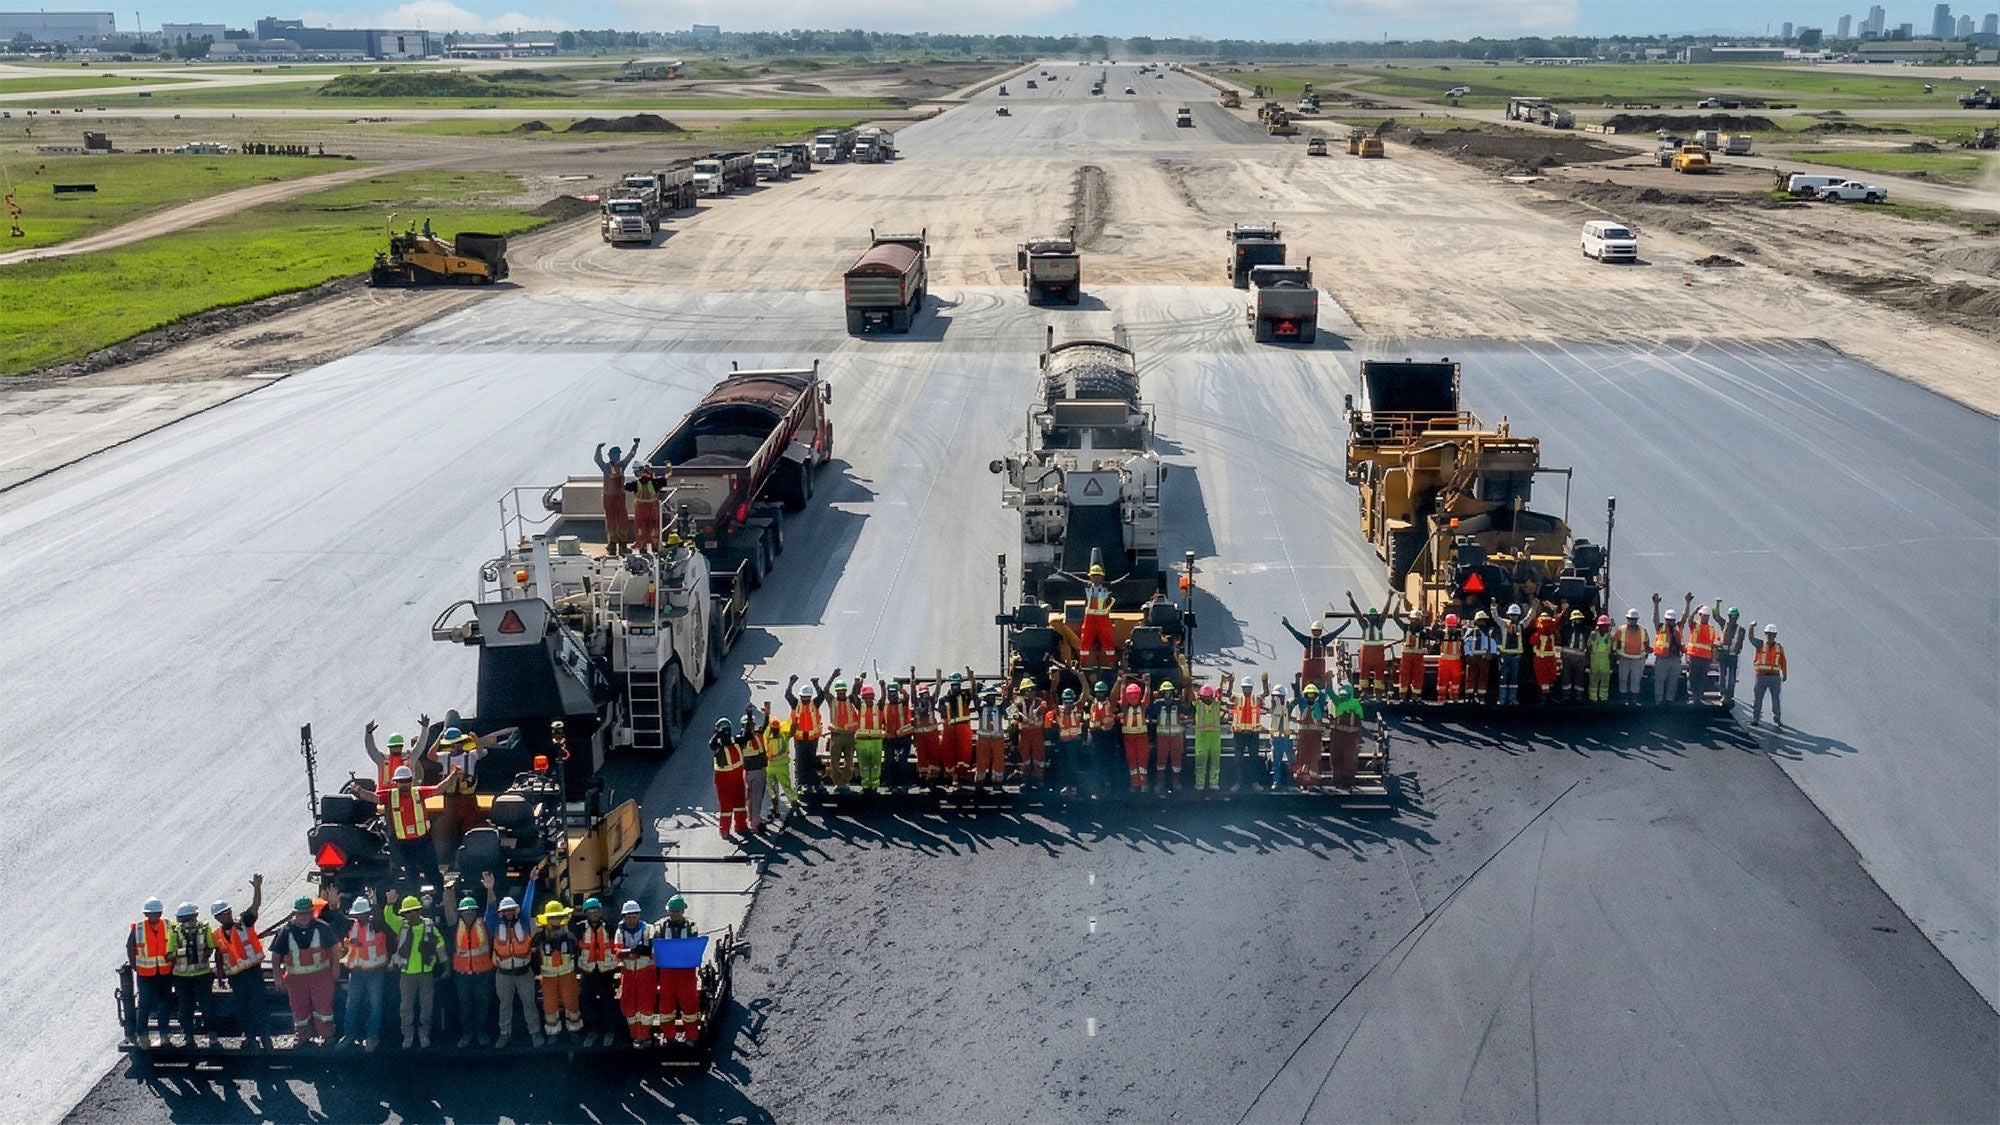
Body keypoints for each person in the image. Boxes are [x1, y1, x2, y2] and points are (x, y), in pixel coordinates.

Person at [355, 763, 459, 896]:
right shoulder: (390, 796)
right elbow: (373, 797)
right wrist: (360, 791)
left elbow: (439, 789)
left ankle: (440, 899)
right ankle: (415, 902)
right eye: (401, 781)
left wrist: (452, 775)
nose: (404, 784)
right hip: (404, 845)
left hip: (423, 842)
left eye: (407, 781)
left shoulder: (419, 793)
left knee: (432, 872)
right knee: (411, 874)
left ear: (411, 781)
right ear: (396, 782)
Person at [269, 895, 339, 1047]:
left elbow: (334, 948)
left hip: (321, 977)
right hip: (296, 980)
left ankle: (327, 1035)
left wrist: (335, 970)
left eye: (306, 913)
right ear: (295, 914)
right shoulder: (286, 931)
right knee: (300, 1009)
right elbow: (276, 956)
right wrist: (278, 978)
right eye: (300, 913)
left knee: (324, 1008)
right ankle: (303, 1036)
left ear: (311, 912)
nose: (303, 917)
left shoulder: (322, 927)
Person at [484, 872, 542, 1048]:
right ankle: (504, 1034)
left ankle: (535, 1033)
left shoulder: (523, 922)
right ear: (501, 913)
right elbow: (490, 909)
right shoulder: (494, 924)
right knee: (505, 1006)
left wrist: (531, 881)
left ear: (515, 911)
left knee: (529, 1004)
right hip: (503, 974)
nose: (508, 913)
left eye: (511, 910)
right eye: (505, 910)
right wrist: (490, 889)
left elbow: (527, 903)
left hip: (524, 973)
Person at [210, 875, 268, 1047]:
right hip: (236, 978)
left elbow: (255, 907)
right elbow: (219, 955)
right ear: (217, 918)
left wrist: (257, 888)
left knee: (259, 1006)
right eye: (221, 914)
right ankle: (250, 1037)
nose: (225, 915)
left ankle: (265, 1036)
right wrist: (220, 977)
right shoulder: (217, 935)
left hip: (253, 972)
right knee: (242, 1008)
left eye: (227, 912)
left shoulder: (244, 923)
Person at [387, 895, 444, 1049]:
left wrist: (445, 965)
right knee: (405, 1007)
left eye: (414, 911)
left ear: (419, 911)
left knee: (427, 1006)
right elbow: (388, 917)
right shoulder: (401, 926)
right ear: (404, 914)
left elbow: (440, 944)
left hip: (426, 973)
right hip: (406, 974)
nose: (411, 915)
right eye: (408, 912)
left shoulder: (429, 925)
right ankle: (408, 1035)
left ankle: (423, 1034)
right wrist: (390, 904)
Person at [442, 893, 494, 1047]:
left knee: (482, 1003)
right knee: (465, 1004)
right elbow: (448, 908)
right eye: (465, 911)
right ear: (461, 913)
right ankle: (467, 1033)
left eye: (471, 911)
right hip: (462, 974)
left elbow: (491, 909)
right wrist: (448, 889)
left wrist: (489, 890)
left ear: (476, 912)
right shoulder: (455, 927)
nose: (469, 913)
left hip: (482, 973)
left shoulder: (485, 925)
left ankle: (481, 1032)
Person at [429, 726, 487, 858]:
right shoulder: (445, 757)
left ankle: (472, 855)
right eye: (452, 745)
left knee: (471, 828)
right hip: (450, 802)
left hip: (468, 801)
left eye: (457, 744)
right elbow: (430, 755)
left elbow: (482, 753)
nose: (455, 747)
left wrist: (476, 740)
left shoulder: (470, 756)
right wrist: (439, 738)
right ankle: (450, 858)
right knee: (450, 831)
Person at [128, 897, 177, 1047]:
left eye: (156, 914)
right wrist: (134, 966)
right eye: (150, 914)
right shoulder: (138, 928)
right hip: (145, 975)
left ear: (160, 913)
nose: (153, 917)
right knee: (144, 1005)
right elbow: (130, 948)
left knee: (164, 1005)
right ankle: (142, 1035)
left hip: (164, 973)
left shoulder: (169, 926)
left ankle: (164, 1035)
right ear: (146, 914)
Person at [572, 898, 621, 1047]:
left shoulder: (611, 927)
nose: (594, 914)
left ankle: (609, 1031)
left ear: (601, 912)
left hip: (606, 973)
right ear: (585, 913)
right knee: (588, 1003)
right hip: (588, 973)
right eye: (590, 912)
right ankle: (593, 1031)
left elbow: (617, 946)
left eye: (596, 911)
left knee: (608, 1003)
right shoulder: (579, 929)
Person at [532, 902, 584, 1043]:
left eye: (558, 917)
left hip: (568, 976)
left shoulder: (570, 936)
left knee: (571, 1003)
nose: (555, 920)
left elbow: (578, 954)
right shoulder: (539, 938)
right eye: (553, 917)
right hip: (548, 978)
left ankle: (574, 1031)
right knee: (550, 1005)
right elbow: (534, 959)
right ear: (547, 919)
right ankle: (553, 1032)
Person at [167, 902, 215, 1047]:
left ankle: (210, 1035)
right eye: (185, 919)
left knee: (205, 1006)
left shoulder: (204, 928)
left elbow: (211, 947)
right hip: (183, 977)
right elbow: (170, 954)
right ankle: (190, 1036)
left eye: (190, 918)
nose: (188, 922)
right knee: (186, 1008)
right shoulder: (175, 932)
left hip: (201, 975)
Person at [656, 895, 703, 1043]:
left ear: (683, 911)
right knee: (666, 1007)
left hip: (686, 973)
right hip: (667, 973)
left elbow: (693, 945)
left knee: (689, 1005)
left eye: (677, 911)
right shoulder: (660, 927)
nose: (674, 913)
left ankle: (692, 1036)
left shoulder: (691, 926)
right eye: (672, 911)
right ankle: (669, 1036)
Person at [612, 901, 658, 1046]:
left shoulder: (649, 929)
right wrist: (635, 952)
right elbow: (617, 953)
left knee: (646, 1007)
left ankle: (646, 1037)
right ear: (623, 917)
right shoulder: (620, 931)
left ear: (639, 915)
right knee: (628, 1007)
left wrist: (632, 953)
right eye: (628, 916)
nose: (631, 919)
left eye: (634, 916)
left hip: (646, 973)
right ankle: (635, 1036)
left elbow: (652, 952)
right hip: (629, 973)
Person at [1332, 600, 1391, 699]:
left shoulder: (1379, 624)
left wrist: (1389, 598)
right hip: (1369, 652)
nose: (1373, 618)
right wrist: (1352, 602)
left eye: (1374, 616)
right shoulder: (1365, 624)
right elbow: (1358, 613)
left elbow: (1385, 611)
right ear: (1368, 617)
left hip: (1375, 652)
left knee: (1378, 673)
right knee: (1364, 672)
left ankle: (1377, 694)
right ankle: (1366, 693)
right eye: (1371, 616)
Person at [594, 440, 639, 556]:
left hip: (619, 497)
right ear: (611, 456)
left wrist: (635, 445)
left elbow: (630, 456)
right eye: (615, 455)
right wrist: (599, 449)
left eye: (618, 455)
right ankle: (612, 545)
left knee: (622, 520)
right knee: (611, 521)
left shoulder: (622, 466)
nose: (617, 457)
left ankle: (623, 545)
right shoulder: (606, 468)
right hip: (609, 498)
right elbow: (598, 460)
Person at [785, 676, 824, 793]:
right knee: (800, 761)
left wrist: (816, 684)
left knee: (811, 761)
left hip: (812, 738)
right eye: (803, 697)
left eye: (807, 698)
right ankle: (800, 783)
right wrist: (790, 683)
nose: (805, 700)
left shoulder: (814, 704)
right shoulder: (795, 704)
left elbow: (822, 696)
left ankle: (813, 782)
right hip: (800, 738)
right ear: (800, 697)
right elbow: (788, 695)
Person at [1652, 593, 1692, 704]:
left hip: (1674, 660)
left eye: (1672, 620)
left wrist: (1687, 603)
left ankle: (1669, 700)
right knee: (1659, 681)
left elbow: (1684, 617)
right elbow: (1655, 618)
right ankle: (1658, 701)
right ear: (1665, 619)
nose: (1670, 622)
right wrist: (1656, 604)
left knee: (1672, 682)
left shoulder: (1678, 628)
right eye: (1668, 620)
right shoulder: (1660, 627)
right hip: (1662, 660)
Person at [939, 671, 978, 786]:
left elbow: (973, 690)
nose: (956, 687)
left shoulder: (965, 696)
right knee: (948, 752)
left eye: (958, 685)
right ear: (950, 685)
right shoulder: (944, 699)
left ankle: (964, 775)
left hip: (964, 729)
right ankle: (953, 776)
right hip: (949, 729)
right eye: (954, 685)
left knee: (965, 753)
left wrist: (971, 678)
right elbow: (942, 714)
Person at [710, 719, 748, 838]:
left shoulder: (736, 741)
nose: (726, 732)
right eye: (724, 730)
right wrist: (717, 735)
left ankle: (741, 826)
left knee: (740, 803)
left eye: (727, 730)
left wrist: (749, 715)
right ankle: (724, 829)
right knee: (726, 806)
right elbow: (712, 744)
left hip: (737, 778)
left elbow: (747, 736)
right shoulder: (718, 746)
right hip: (724, 781)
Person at [1749, 622, 1788, 727]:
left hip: (1774, 677)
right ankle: (1755, 718)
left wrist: (1784, 674)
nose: (1769, 636)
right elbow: (1751, 638)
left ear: (1775, 636)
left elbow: (1783, 661)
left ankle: (1777, 718)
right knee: (1758, 699)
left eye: (1771, 634)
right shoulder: (1760, 645)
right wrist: (1751, 627)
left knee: (1776, 699)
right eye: (1767, 634)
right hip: (1760, 676)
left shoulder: (1779, 648)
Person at [824, 675, 860, 789]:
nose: (841, 694)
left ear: (845, 691)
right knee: (834, 763)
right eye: (839, 692)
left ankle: (845, 782)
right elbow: (825, 690)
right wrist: (833, 677)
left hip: (849, 736)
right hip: (836, 735)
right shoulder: (832, 701)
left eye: (843, 691)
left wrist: (857, 682)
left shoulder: (850, 700)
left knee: (849, 764)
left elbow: (855, 693)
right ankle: (838, 783)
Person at [1078, 563, 1117, 667]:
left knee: (1108, 640)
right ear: (1090, 577)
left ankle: (1112, 663)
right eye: (1093, 575)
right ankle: (1082, 663)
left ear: (1102, 577)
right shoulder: (1087, 588)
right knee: (1085, 641)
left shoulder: (1106, 589)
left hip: (1103, 620)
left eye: (1098, 576)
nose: (1095, 578)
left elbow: (1117, 582)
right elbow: (1074, 579)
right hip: (1090, 619)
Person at [1327, 684, 1366, 787]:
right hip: (1343, 738)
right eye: (1342, 696)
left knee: (1348, 759)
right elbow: (1360, 720)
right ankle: (1339, 780)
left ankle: (1346, 780)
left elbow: (1330, 692)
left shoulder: (1347, 703)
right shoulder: (1355, 704)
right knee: (1338, 759)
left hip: (1348, 738)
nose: (1343, 698)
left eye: (1345, 696)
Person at [1278, 616, 1333, 689]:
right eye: (1315, 630)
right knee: (1308, 685)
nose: (1316, 632)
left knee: (1318, 687)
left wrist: (1287, 625)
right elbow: (1296, 633)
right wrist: (1287, 625)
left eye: (1317, 631)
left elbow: (1334, 633)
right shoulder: (1313, 641)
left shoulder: (1314, 641)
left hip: (1316, 667)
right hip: (1312, 667)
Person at [1117, 679, 1152, 792]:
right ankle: (1134, 783)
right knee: (1131, 760)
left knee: (1142, 760)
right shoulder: (1125, 707)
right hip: (1129, 738)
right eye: (1131, 695)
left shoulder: (1142, 706)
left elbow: (1147, 698)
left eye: (1135, 694)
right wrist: (1122, 683)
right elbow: (1122, 699)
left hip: (1142, 736)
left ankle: (1143, 783)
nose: (1133, 697)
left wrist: (1147, 685)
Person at [1088, 679, 1121, 796]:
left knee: (1111, 764)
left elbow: (1115, 695)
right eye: (1098, 692)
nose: (1100, 694)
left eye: (1102, 692)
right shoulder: (1092, 704)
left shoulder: (1109, 703)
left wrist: (1118, 681)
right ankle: (1099, 789)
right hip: (1096, 738)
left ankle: (1114, 790)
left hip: (1108, 737)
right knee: (1098, 765)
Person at [973, 687, 1011, 788]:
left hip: (997, 740)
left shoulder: (999, 708)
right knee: (981, 762)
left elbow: (1007, 701)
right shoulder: (981, 709)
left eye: (993, 697)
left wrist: (1009, 688)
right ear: (985, 698)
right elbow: (975, 698)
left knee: (999, 761)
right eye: (990, 697)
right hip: (983, 740)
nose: (992, 699)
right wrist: (973, 682)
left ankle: (998, 783)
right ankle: (979, 783)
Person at [740, 705, 770, 828]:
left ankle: (753, 819)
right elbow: (748, 730)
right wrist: (749, 714)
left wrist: (767, 715)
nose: (753, 726)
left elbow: (765, 726)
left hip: (750, 772)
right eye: (751, 725)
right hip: (756, 772)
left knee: (752, 799)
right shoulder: (744, 738)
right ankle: (755, 824)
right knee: (756, 799)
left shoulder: (747, 737)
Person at [1231, 679, 1264, 789]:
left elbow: (1266, 693)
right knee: (1238, 759)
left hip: (1253, 734)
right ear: (1242, 688)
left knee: (1254, 759)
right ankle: (1237, 783)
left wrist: (1264, 681)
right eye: (1245, 687)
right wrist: (1230, 682)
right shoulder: (1237, 698)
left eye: (1249, 687)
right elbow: (1228, 694)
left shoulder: (1256, 698)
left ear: (1252, 688)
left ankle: (1254, 782)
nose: (1247, 689)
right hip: (1239, 734)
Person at [1291, 683, 1326, 787]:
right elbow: (1298, 696)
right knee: (1303, 757)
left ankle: (1314, 781)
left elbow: (1324, 695)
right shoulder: (1303, 704)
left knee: (1314, 757)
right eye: (1309, 695)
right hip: (1304, 737)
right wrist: (1297, 684)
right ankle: (1303, 782)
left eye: (1313, 695)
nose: (1311, 697)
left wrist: (1325, 683)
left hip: (1315, 737)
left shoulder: (1319, 704)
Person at [854, 684, 887, 794]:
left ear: (873, 697)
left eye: (870, 697)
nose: (868, 700)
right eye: (866, 698)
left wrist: (883, 685)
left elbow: (883, 697)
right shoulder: (860, 706)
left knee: (876, 764)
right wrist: (857, 682)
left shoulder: (879, 707)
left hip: (876, 740)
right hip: (862, 741)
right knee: (863, 765)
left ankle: (874, 786)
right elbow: (854, 695)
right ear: (863, 698)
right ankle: (865, 786)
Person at [913, 683, 947, 787]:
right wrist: (912, 678)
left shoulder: (932, 701)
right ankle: (923, 778)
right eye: (923, 694)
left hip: (932, 734)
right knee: (922, 757)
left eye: (926, 693)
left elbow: (937, 691)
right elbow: (912, 693)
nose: (925, 696)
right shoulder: (916, 702)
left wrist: (939, 679)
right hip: (920, 735)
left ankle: (933, 778)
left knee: (934, 756)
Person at [1683, 603, 1719, 704]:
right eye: (1704, 615)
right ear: (1700, 615)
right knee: (1693, 677)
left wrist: (1713, 657)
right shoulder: (1695, 625)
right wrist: (1695, 610)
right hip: (1694, 656)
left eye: (1707, 616)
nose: (1706, 618)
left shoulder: (1711, 629)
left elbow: (1712, 644)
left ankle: (1698, 697)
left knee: (1702, 678)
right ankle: (1693, 696)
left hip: (1706, 658)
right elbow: (1689, 620)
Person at [1192, 684, 1225, 791]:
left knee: (1215, 760)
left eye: (1208, 697)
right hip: (1202, 736)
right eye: (1204, 697)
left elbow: (1220, 695)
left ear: (1212, 696)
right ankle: (1200, 783)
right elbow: (1190, 696)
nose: (1206, 699)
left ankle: (1214, 783)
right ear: (1200, 696)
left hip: (1215, 736)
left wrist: (1219, 691)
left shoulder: (1216, 704)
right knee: (1200, 760)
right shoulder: (1197, 704)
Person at [883, 680, 915, 788]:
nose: (893, 696)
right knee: (889, 761)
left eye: (894, 694)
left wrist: (899, 688)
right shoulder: (885, 706)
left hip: (903, 737)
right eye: (891, 694)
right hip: (890, 738)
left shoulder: (903, 704)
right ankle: (889, 782)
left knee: (902, 761)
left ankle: (904, 782)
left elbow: (906, 696)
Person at [1053, 688, 1086, 794]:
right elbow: (1052, 694)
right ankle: (1067, 785)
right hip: (1063, 742)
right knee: (1064, 765)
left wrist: (1081, 676)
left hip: (1074, 742)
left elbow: (1085, 693)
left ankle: (1074, 786)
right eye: (1066, 701)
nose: (1068, 704)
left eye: (1070, 701)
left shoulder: (1077, 708)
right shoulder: (1059, 710)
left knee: (1073, 765)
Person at [625, 466, 665, 553]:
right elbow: (664, 480)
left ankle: (642, 546)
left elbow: (626, 486)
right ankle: (655, 546)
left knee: (640, 528)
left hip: (641, 510)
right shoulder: (655, 483)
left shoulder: (637, 483)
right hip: (652, 509)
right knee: (654, 528)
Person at [764, 713, 796, 820]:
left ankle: (774, 803)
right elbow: (791, 731)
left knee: (771, 787)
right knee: (786, 785)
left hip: (770, 766)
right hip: (782, 766)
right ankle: (793, 801)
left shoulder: (767, 736)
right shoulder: (783, 735)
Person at [1614, 608, 1649, 704]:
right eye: (1630, 619)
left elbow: (1646, 645)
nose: (1632, 621)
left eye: (1634, 619)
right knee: (1623, 679)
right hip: (1624, 658)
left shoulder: (1643, 631)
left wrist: (1645, 654)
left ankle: (1634, 699)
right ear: (1627, 619)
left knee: (1636, 680)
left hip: (1638, 659)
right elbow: (1615, 643)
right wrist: (1616, 654)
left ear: (1637, 620)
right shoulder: (1621, 630)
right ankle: (1623, 698)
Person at [1716, 605, 1748, 704]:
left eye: (1734, 617)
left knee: (1731, 676)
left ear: (1737, 617)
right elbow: (1716, 615)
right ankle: (1722, 693)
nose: (1732, 619)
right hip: (1723, 654)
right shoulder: (1724, 624)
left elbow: (1740, 643)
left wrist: (1736, 651)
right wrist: (1717, 604)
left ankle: (1729, 695)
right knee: (1722, 674)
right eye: (1731, 616)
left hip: (1732, 656)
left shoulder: (1741, 629)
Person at [1396, 613, 1432, 701]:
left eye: (1416, 620)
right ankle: (1403, 695)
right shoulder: (1406, 627)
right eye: (1413, 619)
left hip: (1418, 656)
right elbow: (1395, 617)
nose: (1414, 622)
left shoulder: (1423, 632)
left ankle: (1415, 695)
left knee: (1418, 675)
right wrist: (1398, 603)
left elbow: (1430, 638)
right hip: (1407, 655)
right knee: (1404, 674)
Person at [1495, 604, 1526, 705]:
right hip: (1505, 656)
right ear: (1508, 615)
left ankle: (1512, 698)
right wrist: (1493, 607)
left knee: (1514, 678)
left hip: (1515, 657)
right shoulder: (1504, 624)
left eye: (1515, 615)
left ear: (1518, 616)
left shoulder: (1521, 625)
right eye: (1512, 615)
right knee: (1503, 678)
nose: (1514, 617)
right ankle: (1502, 699)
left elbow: (1529, 618)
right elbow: (1495, 617)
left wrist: (1533, 609)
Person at [1266, 683, 1295, 790]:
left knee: (1292, 760)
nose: (1276, 698)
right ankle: (1276, 781)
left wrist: (1296, 687)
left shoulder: (1288, 706)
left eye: (1278, 696)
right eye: (1275, 696)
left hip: (1285, 738)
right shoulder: (1274, 706)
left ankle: (1293, 780)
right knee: (1276, 762)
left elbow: (1296, 700)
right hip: (1276, 739)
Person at [1464, 610, 1497, 703]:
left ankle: (1481, 695)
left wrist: (1492, 654)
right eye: (1480, 620)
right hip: (1473, 657)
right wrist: (1468, 654)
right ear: (1476, 621)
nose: (1482, 622)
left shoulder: (1489, 632)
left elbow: (1492, 642)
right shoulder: (1471, 631)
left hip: (1484, 657)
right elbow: (1466, 643)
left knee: (1483, 675)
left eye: (1483, 620)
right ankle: (1469, 696)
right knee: (1471, 675)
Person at [1435, 614, 1465, 702]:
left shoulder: (1460, 633)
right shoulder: (1441, 633)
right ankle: (1441, 697)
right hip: (1444, 661)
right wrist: (1436, 622)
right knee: (1442, 680)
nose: (1451, 629)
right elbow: (1433, 633)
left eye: (1453, 626)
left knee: (1456, 680)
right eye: (1450, 626)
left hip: (1456, 661)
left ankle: (1454, 696)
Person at [1586, 615, 1616, 703]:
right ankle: (1593, 698)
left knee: (1605, 682)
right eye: (1604, 625)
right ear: (1599, 626)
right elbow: (1588, 648)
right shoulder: (1593, 635)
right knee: (1593, 682)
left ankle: (1603, 698)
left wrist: (1612, 666)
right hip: (1594, 663)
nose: (1605, 627)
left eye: (1607, 625)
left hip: (1606, 664)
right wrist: (1587, 664)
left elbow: (1612, 652)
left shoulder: (1610, 637)